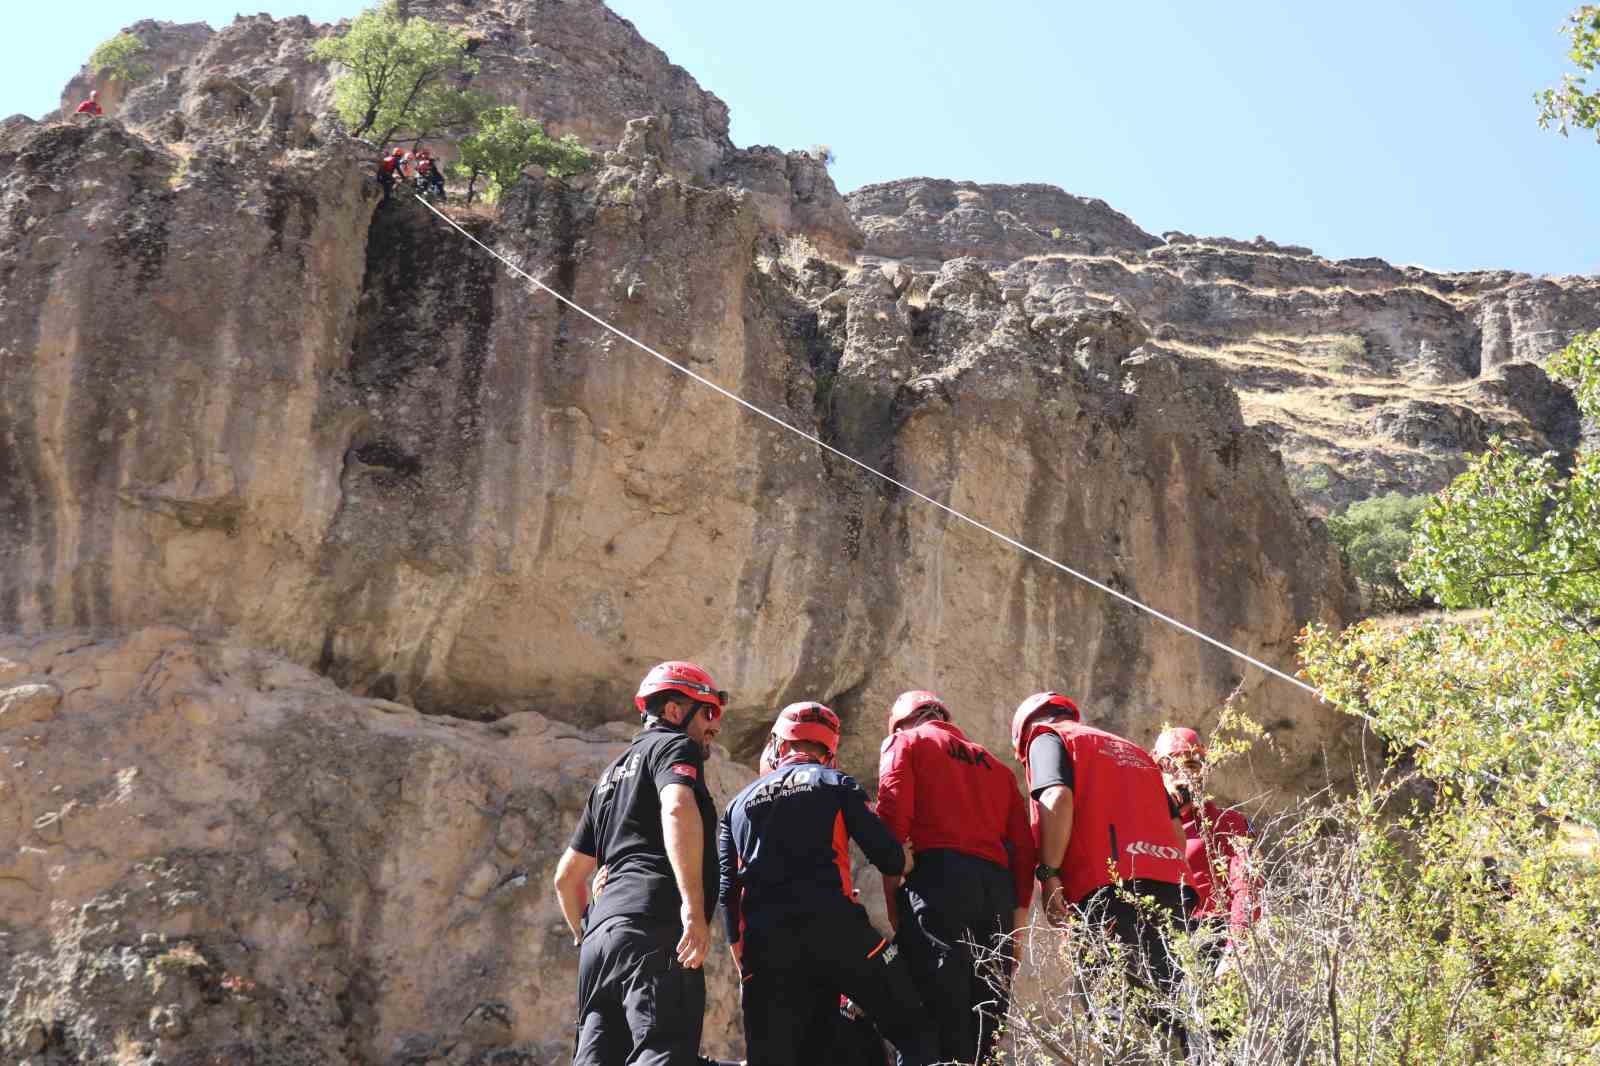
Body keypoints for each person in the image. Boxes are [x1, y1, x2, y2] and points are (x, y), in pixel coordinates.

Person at [719, 701, 938, 1066]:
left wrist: (744, 958)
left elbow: (728, 894)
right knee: (912, 1028)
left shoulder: (736, 806)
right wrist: (904, 858)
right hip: (837, 930)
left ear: (778, 745)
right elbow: (887, 857)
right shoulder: (835, 782)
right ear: (829, 751)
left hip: (767, 945)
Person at [553, 661, 726, 1066]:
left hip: (599, 946)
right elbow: (678, 807)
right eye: (708, 712)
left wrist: (589, 931)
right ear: (673, 711)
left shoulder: (609, 777)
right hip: (653, 926)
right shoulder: (673, 747)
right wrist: (691, 906)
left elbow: (565, 879)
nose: (714, 726)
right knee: (662, 1051)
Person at [1011, 692, 1194, 1041]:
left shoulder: (1047, 737)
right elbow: (1175, 833)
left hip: (1107, 890)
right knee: (1178, 1011)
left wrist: (1049, 873)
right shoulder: (1135, 751)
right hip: (1173, 891)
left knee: (1113, 1015)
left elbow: (1056, 797)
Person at [875, 689, 1036, 1065]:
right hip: (994, 891)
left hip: (937, 879)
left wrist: (893, 897)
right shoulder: (996, 767)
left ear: (900, 722)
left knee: (933, 1011)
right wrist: (1018, 926)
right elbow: (1024, 851)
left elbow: (891, 820)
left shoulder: (905, 742)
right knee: (985, 1013)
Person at [1152, 727, 1257, 964]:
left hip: (1209, 936)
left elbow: (1247, 886)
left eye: (1191, 766)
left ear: (1203, 771)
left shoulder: (1228, 824)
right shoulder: (1140, 826)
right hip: (1155, 940)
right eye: (1170, 766)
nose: (1181, 775)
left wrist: (1236, 945)